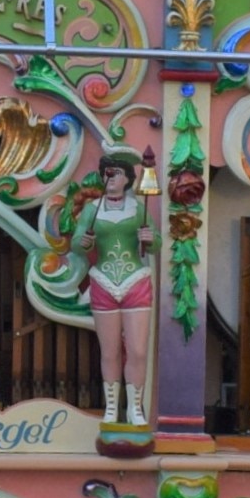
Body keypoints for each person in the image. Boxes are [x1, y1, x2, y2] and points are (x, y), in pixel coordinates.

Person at [73, 150, 155, 425]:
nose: (110, 177)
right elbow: (76, 242)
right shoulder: (92, 209)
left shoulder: (138, 208)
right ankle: (111, 407)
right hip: (104, 281)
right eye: (106, 172)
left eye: (116, 172)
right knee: (109, 351)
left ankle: (135, 407)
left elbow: (157, 244)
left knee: (138, 350)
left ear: (128, 179)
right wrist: (83, 242)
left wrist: (149, 238)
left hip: (135, 280)